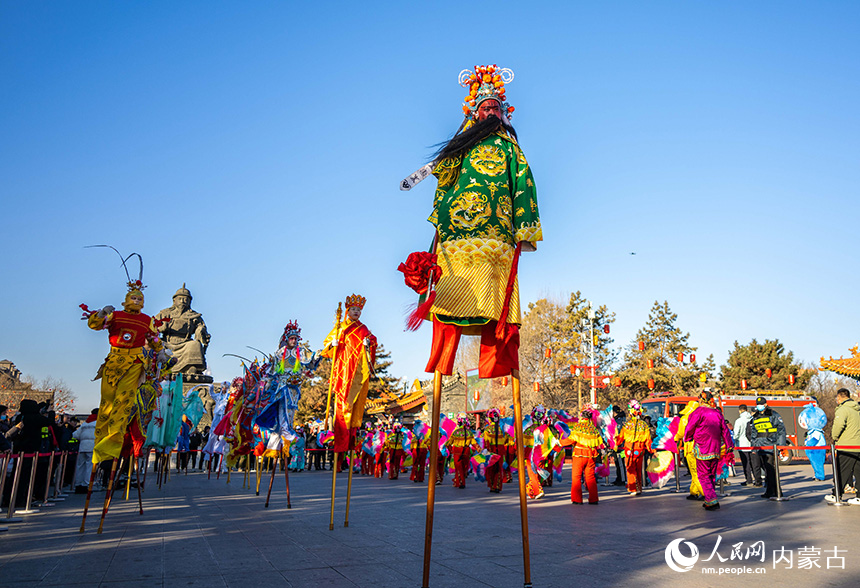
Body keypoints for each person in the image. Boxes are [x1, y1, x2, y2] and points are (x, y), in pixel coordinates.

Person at [410, 65, 542, 381]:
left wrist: (525, 229)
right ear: (475, 113)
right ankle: (442, 363)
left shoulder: (511, 149)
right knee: (450, 295)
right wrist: (447, 156)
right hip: (457, 236)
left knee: (497, 302)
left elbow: (524, 185)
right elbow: (444, 177)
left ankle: (496, 365)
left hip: (496, 238)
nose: (491, 112)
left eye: (495, 107)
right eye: (485, 108)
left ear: (503, 112)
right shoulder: (462, 146)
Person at [321, 294, 377, 456]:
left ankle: (351, 437)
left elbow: (372, 340)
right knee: (343, 404)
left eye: (358, 310)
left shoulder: (363, 328)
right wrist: (333, 344)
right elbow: (327, 347)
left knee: (355, 403)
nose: (356, 312)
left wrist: (369, 344)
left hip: (358, 371)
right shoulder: (340, 328)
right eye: (353, 309)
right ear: (347, 310)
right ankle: (341, 440)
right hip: (344, 370)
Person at [684, 392, 734, 511]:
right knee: (711, 474)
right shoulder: (717, 413)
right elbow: (725, 430)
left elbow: (689, 428)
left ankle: (712, 500)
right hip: (716, 447)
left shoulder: (697, 412)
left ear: (701, 400)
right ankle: (708, 500)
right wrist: (729, 444)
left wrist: (687, 437)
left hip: (703, 447)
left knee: (703, 475)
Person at [154, 284, 210, 376]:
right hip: (167, 342)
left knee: (195, 344)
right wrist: (161, 328)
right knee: (157, 343)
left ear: (190, 301)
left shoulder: (194, 316)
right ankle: (160, 367)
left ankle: (190, 367)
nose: (183, 301)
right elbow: (152, 327)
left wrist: (200, 330)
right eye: (180, 299)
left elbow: (202, 329)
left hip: (185, 343)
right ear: (174, 300)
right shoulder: (165, 313)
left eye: (186, 299)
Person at [561, 405, 604, 505]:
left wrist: (560, 442)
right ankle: (594, 499)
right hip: (591, 456)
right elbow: (598, 443)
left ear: (581, 417)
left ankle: (577, 499)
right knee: (590, 477)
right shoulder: (593, 429)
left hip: (579, 455)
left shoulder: (578, 427)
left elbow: (571, 440)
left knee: (576, 476)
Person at [748, 396, 787, 499]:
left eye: (761, 404)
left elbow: (781, 430)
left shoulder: (773, 415)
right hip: (760, 447)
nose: (759, 406)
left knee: (771, 470)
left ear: (765, 404)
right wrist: (754, 447)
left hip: (771, 445)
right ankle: (769, 491)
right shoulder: (755, 417)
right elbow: (754, 433)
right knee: (766, 470)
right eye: (758, 404)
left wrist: (780, 445)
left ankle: (777, 491)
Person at [826, 389, 860, 504]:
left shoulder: (843, 409)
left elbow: (838, 425)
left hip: (847, 446)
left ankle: (836, 494)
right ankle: (859, 496)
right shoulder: (857, 409)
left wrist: (834, 437)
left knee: (841, 471)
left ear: (839, 397)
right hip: (858, 445)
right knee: (858, 472)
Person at [616, 399, 652, 496]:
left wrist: (615, 442)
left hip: (629, 450)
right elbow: (648, 440)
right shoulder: (644, 425)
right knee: (638, 469)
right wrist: (651, 450)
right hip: (640, 451)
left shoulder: (627, 425)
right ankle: (639, 488)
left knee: (631, 469)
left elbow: (620, 438)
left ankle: (633, 488)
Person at [445, 413, 478, 489]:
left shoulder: (456, 432)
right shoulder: (469, 432)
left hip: (457, 451)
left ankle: (461, 482)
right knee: (464, 468)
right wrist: (480, 450)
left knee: (458, 467)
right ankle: (457, 480)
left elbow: (448, 443)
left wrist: (451, 451)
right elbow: (474, 443)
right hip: (466, 451)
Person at [482, 408, 509, 493]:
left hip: (491, 450)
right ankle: (497, 486)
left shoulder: (488, 429)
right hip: (500, 450)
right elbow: (506, 440)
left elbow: (486, 442)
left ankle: (492, 486)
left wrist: (486, 451)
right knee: (499, 469)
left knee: (491, 469)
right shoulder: (503, 429)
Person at [72, 409, 98, 492]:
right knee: (89, 466)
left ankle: (78, 484)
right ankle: (87, 484)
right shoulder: (98, 423)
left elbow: (75, 435)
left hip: (82, 446)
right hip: (92, 446)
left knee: (80, 466)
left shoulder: (85, 423)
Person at [733, 404, 755, 486]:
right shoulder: (752, 419)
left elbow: (736, 434)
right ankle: (757, 478)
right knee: (754, 463)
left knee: (746, 463)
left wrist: (734, 441)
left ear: (740, 410)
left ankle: (749, 480)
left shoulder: (739, 421)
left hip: (742, 445)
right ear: (747, 410)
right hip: (752, 444)